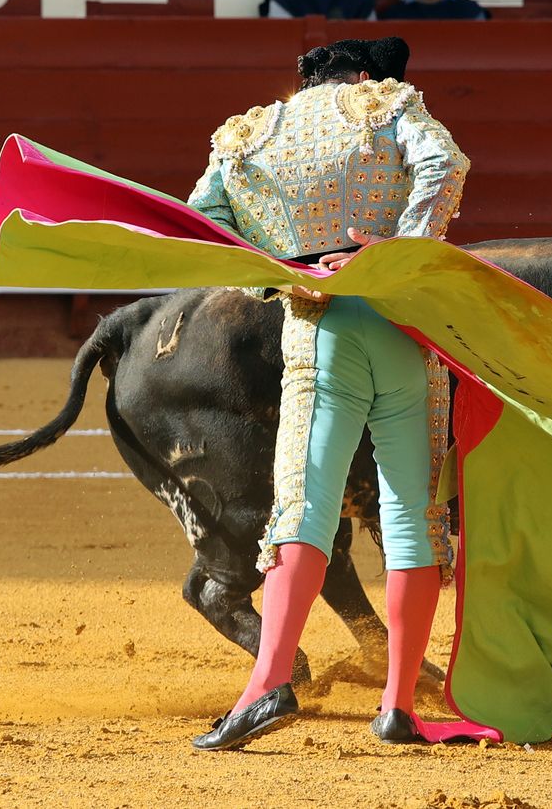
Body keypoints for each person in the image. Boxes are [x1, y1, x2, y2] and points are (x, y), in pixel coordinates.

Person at [184, 37, 468, 751]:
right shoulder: (386, 104)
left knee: (304, 507)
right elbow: (445, 163)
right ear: (366, 76)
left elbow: (201, 223)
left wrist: (276, 274)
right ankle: (399, 705)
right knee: (412, 515)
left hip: (319, 326)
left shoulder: (251, 134)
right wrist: (393, 256)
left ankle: (270, 684)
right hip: (405, 326)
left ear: (301, 83)